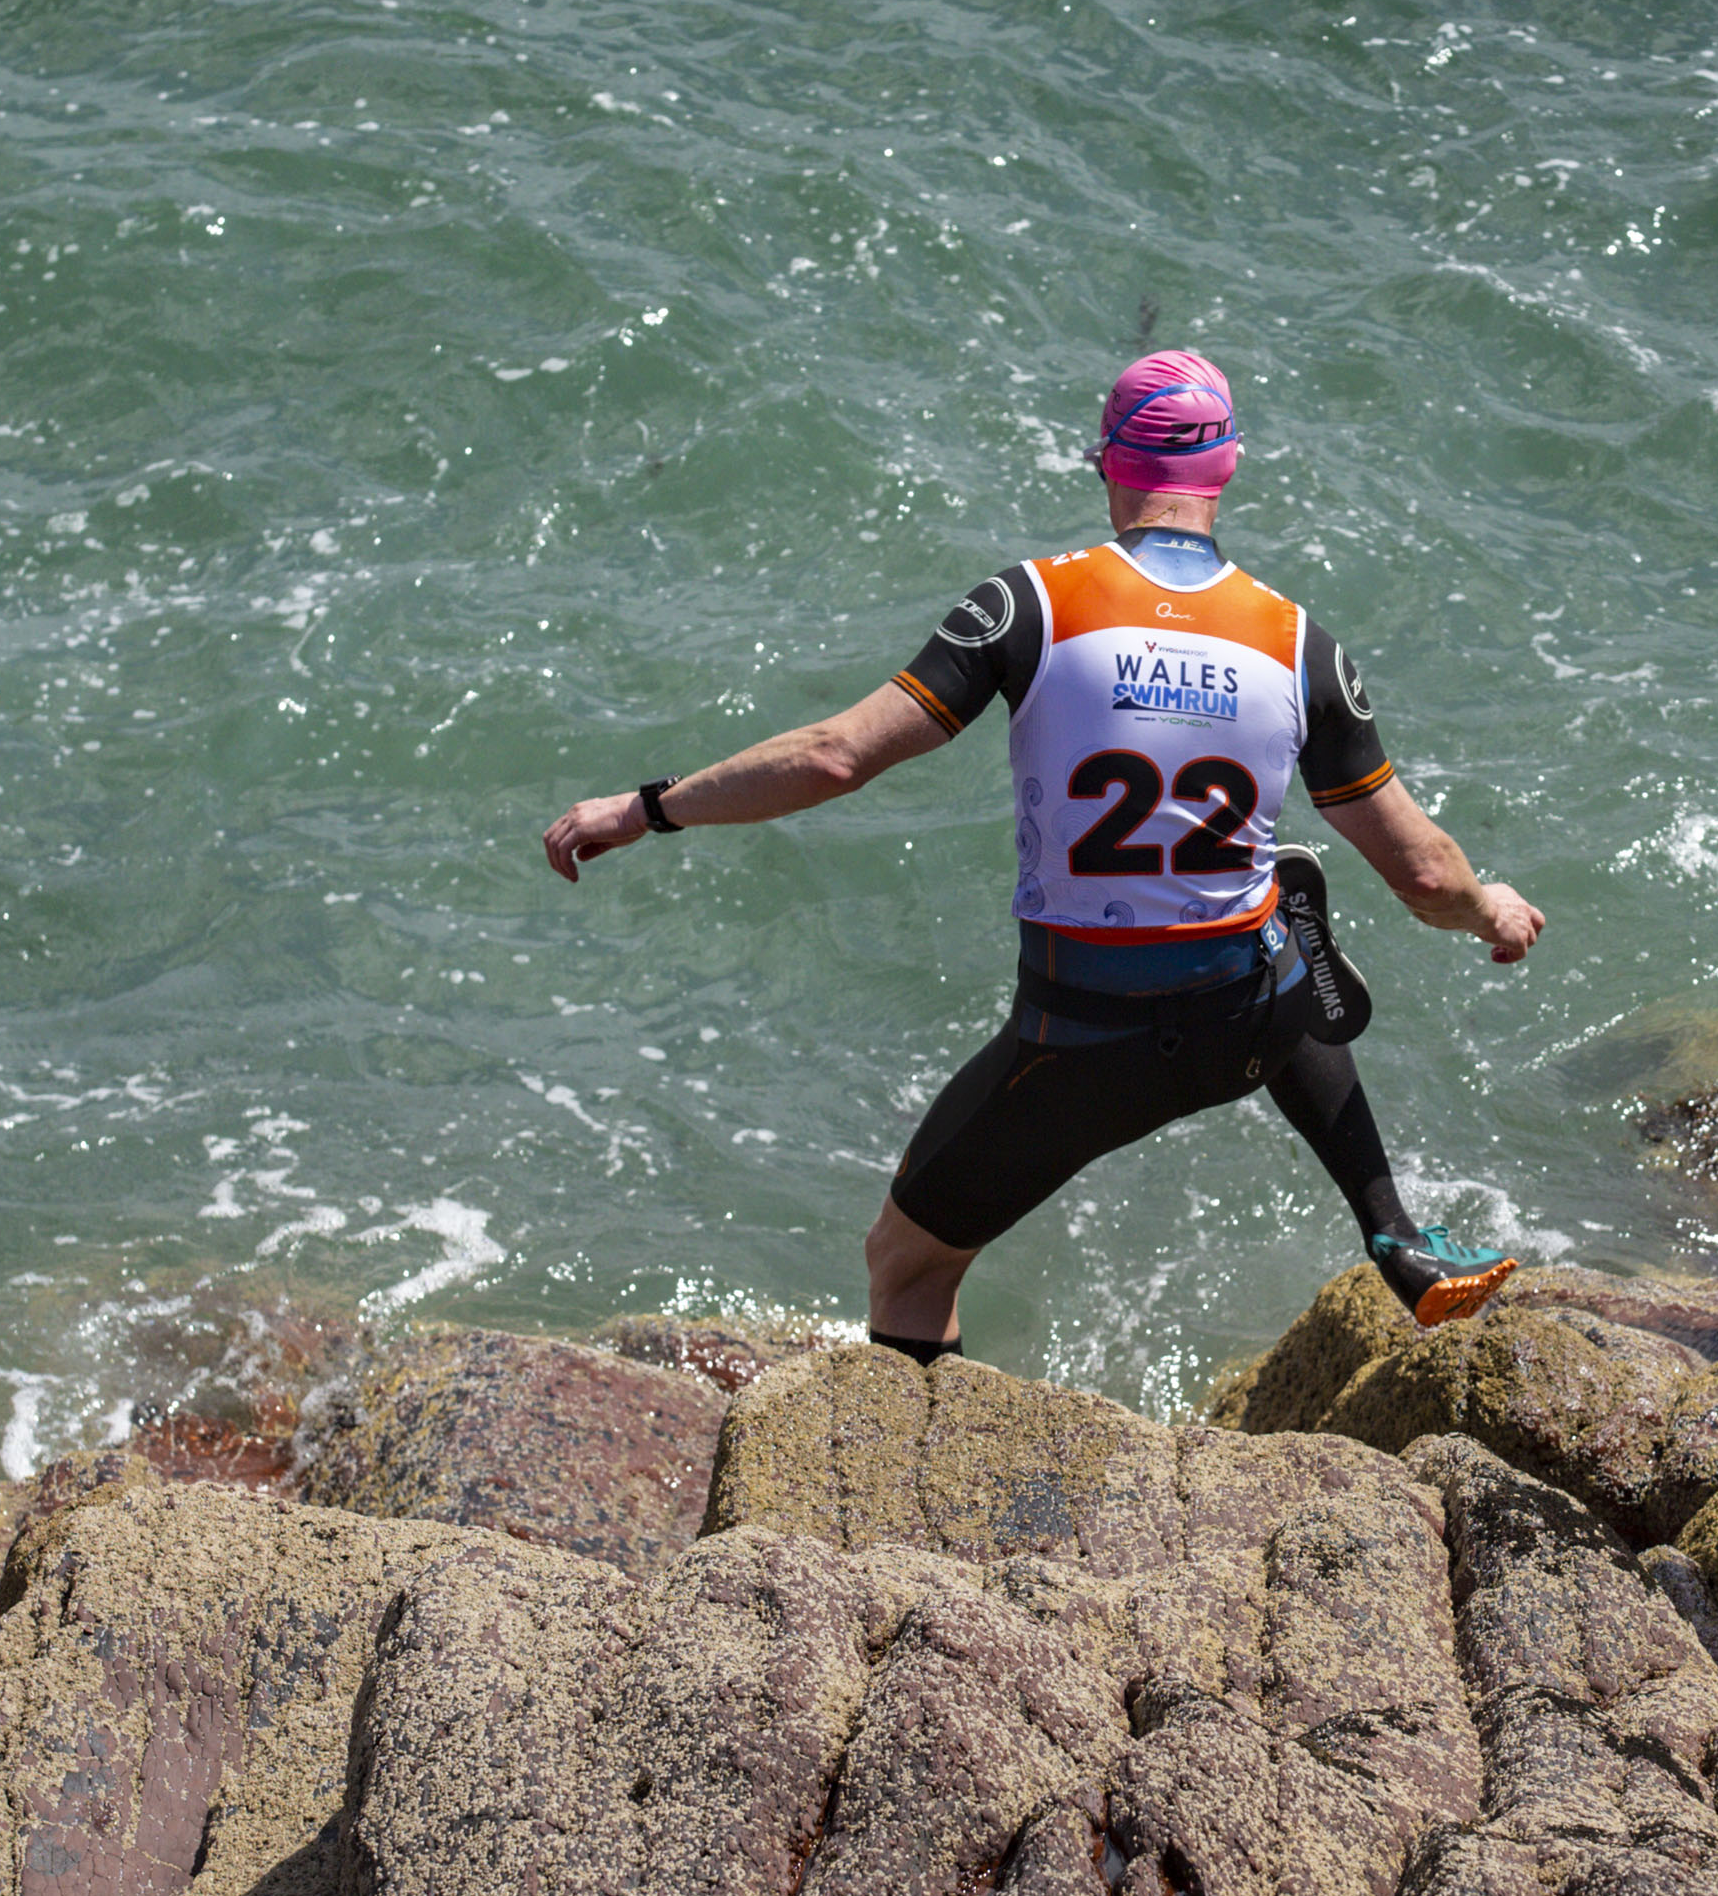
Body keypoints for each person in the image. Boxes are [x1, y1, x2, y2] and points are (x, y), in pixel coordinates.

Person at [543, 349, 1547, 1364]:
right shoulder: (1302, 648)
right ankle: (1397, 1233)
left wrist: (646, 808)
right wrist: (1491, 910)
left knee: (907, 1257)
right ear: (1229, 467)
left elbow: (837, 756)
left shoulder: (1029, 606)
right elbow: (1424, 874)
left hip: (1090, 1044)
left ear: (1106, 464)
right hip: (1241, 1026)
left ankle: (903, 1477)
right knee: (1271, 917)